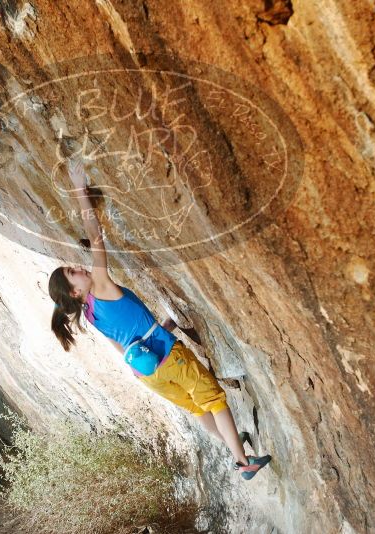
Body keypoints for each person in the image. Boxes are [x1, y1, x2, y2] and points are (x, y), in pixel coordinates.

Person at [47, 155, 271, 480]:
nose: (80, 268)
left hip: (148, 373)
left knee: (198, 409)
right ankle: (243, 462)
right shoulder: (101, 286)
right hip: (168, 357)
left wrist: (158, 329)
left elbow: (122, 346)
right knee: (214, 399)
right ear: (74, 291)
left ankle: (232, 444)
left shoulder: (90, 315)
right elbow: (95, 237)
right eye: (73, 272)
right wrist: (80, 191)